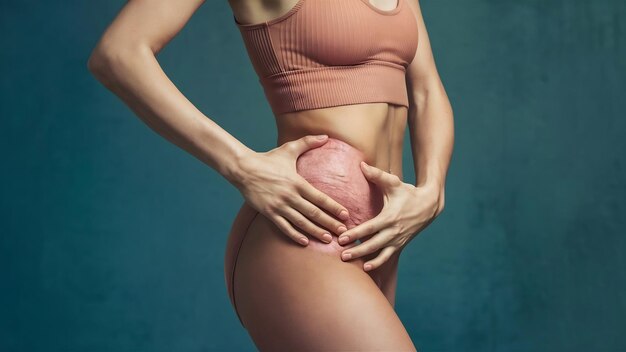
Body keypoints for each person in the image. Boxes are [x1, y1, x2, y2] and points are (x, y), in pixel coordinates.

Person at [87, 0, 454, 350]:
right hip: (306, 233)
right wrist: (240, 164)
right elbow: (119, 54)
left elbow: (424, 89)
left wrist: (432, 189)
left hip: (379, 243)